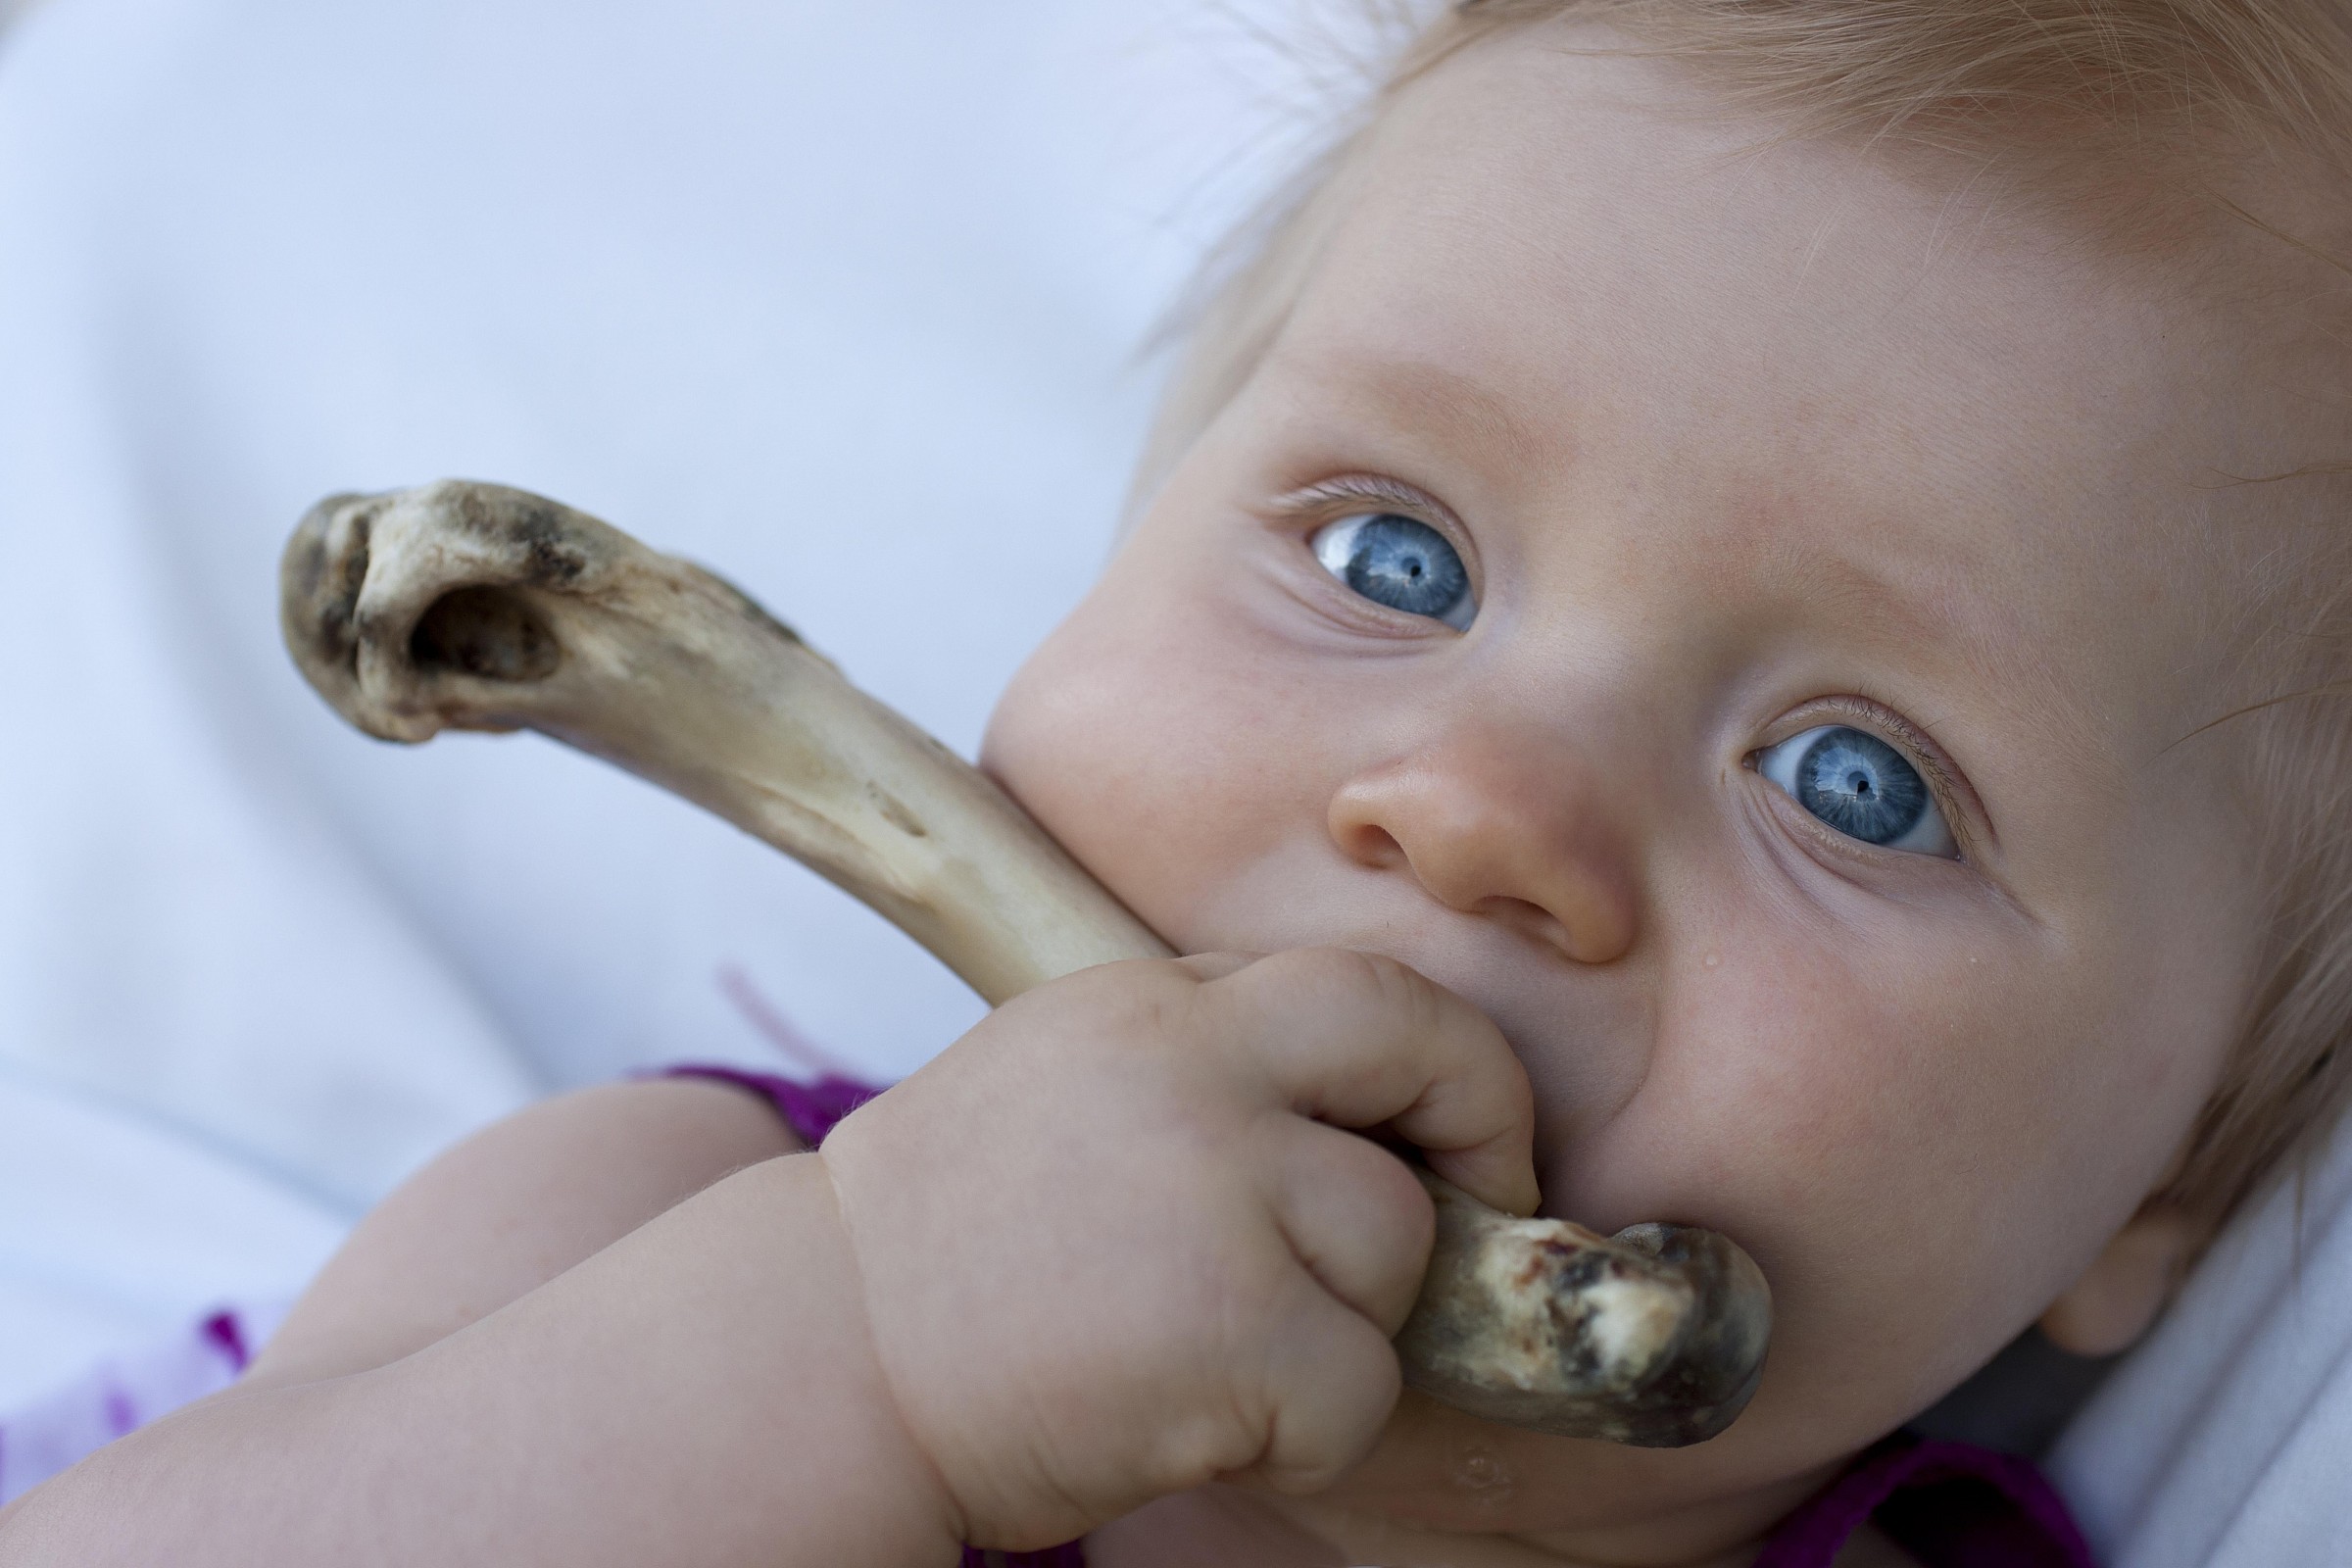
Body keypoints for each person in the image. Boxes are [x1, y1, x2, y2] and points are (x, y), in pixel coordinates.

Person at [7, 0, 2350, 1561]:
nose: (1484, 807)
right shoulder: (659, 1238)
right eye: (1394, 558)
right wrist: (875, 1352)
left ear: (2170, 1174)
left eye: (1855, 779)